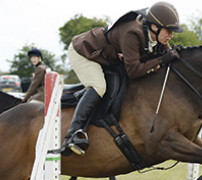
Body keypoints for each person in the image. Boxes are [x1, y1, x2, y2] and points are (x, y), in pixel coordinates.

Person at [61, 1, 184, 157]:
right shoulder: (132, 33)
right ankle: (73, 134)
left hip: (107, 56)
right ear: (154, 27)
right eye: (169, 31)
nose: (171, 36)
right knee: (99, 86)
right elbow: (133, 71)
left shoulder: (155, 35)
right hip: (84, 52)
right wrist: (160, 61)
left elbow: (167, 56)